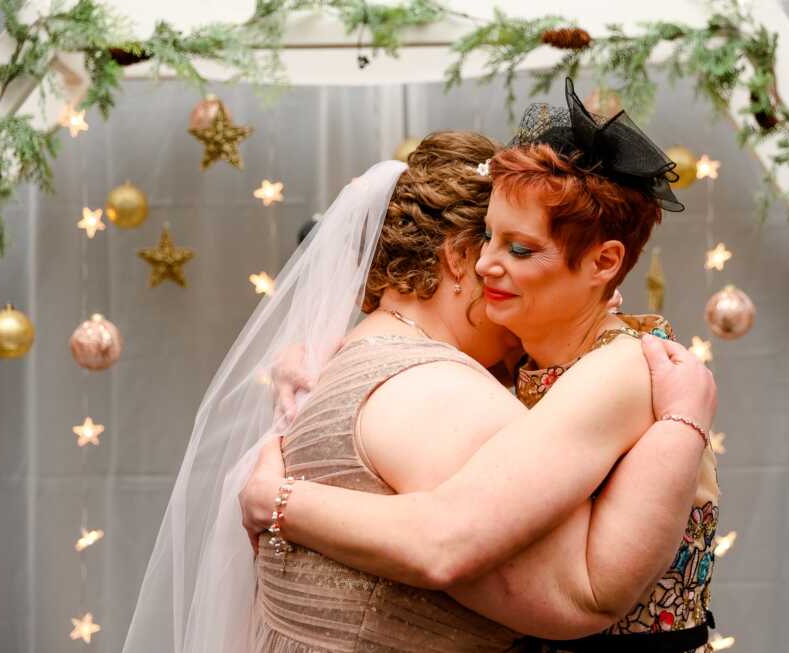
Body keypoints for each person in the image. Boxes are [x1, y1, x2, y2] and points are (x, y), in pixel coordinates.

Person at [239, 89, 718, 653]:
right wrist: (309, 353)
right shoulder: (513, 367)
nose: (489, 263)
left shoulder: (626, 369)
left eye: (517, 248)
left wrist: (275, 500)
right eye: (489, 237)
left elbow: (482, 552)